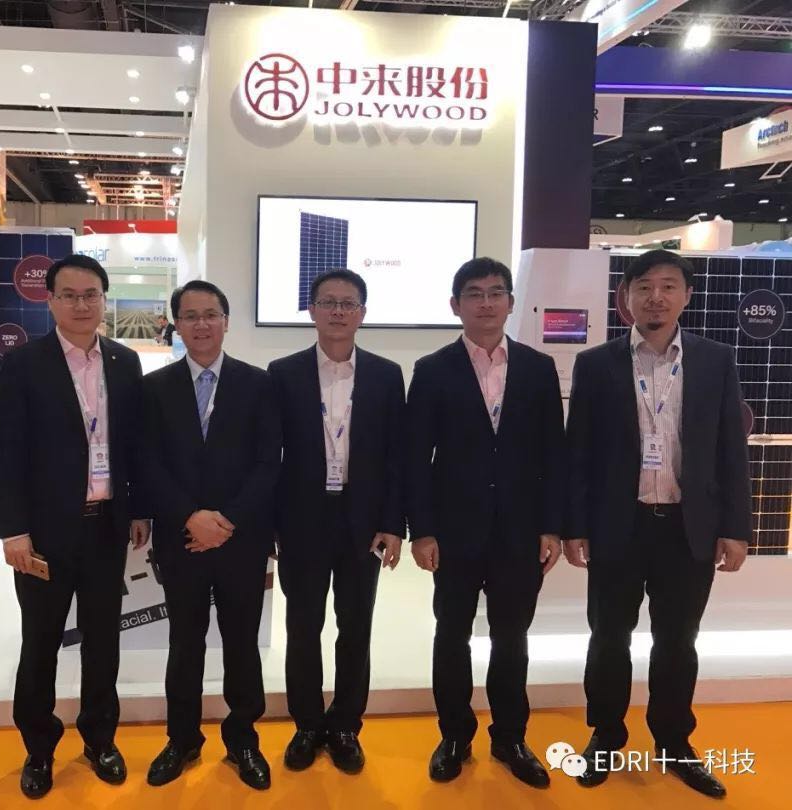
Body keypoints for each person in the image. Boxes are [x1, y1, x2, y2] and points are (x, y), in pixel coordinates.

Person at [565, 249, 750, 798]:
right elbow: (579, 453)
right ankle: (606, 734)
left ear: (686, 296)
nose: (656, 297)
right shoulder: (595, 364)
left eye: (668, 286)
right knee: (608, 638)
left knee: (677, 641)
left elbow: (730, 450)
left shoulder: (715, 360)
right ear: (625, 297)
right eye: (644, 286)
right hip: (618, 526)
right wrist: (575, 525)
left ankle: (673, 742)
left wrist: (736, 527)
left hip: (687, 529)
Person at [0, 254, 149, 799]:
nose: (81, 305)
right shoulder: (24, 364)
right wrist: (13, 531)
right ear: (51, 300)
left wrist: (139, 509)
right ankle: (39, 747)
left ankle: (100, 739)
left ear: (104, 300)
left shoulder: (125, 362)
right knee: (40, 643)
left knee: (104, 642)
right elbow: (6, 453)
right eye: (69, 295)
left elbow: (134, 447)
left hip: (106, 527)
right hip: (44, 533)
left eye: (91, 295)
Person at [407, 257, 566, 789]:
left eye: (496, 293)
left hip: (520, 532)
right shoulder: (432, 369)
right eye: (474, 294)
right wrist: (422, 530)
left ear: (511, 302)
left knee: (512, 638)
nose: (486, 303)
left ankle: (511, 737)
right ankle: (454, 736)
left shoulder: (538, 367)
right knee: (451, 636)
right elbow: (415, 458)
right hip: (454, 533)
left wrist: (551, 526)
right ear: (456, 305)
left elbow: (553, 453)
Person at [141, 280, 281, 791]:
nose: (201, 324)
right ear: (176, 324)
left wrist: (227, 522)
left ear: (226, 321)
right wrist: (190, 517)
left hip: (241, 540)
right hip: (181, 540)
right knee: (185, 642)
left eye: (211, 314)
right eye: (190, 315)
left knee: (242, 643)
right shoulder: (154, 388)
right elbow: (147, 462)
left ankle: (243, 740)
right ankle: (181, 739)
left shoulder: (259, 384)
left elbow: (269, 462)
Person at [267, 269, 405, 775]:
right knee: (303, 626)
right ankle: (306, 724)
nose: (339, 311)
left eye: (349, 303)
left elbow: (396, 458)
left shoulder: (387, 375)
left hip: (362, 521)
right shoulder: (282, 373)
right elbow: (268, 456)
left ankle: (346, 725)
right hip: (302, 520)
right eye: (329, 302)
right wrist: (271, 525)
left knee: (355, 626)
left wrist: (393, 523)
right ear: (312, 310)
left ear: (363, 313)